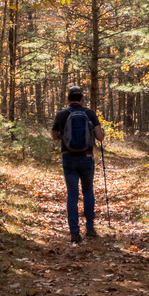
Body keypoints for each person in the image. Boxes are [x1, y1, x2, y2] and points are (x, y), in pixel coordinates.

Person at [51, 86, 105, 243]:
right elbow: (100, 137)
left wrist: (63, 136)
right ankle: (90, 228)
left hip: (68, 158)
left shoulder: (61, 114)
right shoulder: (89, 113)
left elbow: (54, 136)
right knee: (88, 192)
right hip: (87, 157)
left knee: (72, 195)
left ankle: (74, 232)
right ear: (82, 99)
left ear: (68, 100)